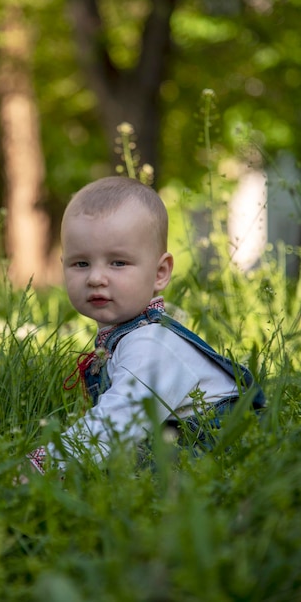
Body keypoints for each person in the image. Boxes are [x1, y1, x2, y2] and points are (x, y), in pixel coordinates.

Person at [26, 176, 265, 475]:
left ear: (160, 272)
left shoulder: (151, 345)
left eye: (118, 263)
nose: (96, 277)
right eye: (81, 264)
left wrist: (41, 466)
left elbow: (117, 422)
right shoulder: (128, 336)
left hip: (225, 454)